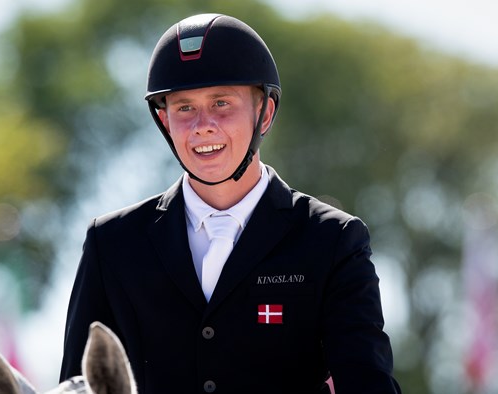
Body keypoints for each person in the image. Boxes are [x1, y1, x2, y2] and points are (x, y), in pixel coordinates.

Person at [60, 13, 401, 394]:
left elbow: (368, 385)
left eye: (221, 103)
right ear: (165, 120)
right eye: (184, 108)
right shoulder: (112, 244)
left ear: (265, 113)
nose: (202, 125)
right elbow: (77, 385)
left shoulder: (333, 240)